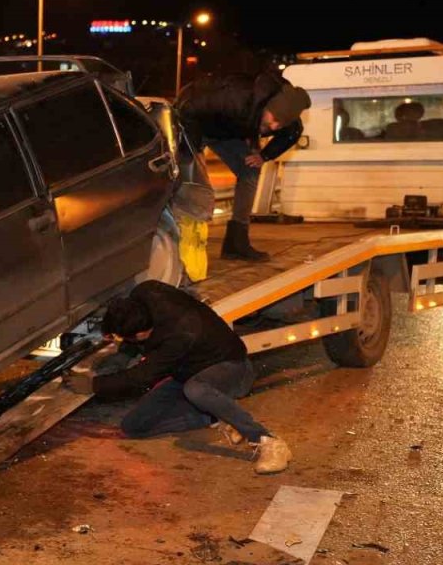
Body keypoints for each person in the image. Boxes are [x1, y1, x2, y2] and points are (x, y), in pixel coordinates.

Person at [64, 281, 292, 474]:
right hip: (187, 372)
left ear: (142, 334)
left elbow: (143, 376)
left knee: (196, 390)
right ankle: (216, 416)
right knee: (134, 426)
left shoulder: (180, 334)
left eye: (130, 340)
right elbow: (135, 348)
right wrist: (121, 358)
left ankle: (267, 440)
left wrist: (93, 385)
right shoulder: (145, 292)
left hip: (232, 369)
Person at [175, 70, 311, 261]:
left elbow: (292, 133)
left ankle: (236, 243)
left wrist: (264, 156)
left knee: (251, 168)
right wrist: (194, 151)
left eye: (279, 125)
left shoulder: (284, 114)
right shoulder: (236, 99)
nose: (273, 127)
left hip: (227, 131)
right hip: (194, 118)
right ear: (266, 107)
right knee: (192, 179)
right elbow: (188, 109)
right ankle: (178, 241)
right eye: (273, 120)